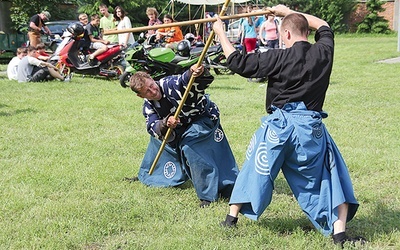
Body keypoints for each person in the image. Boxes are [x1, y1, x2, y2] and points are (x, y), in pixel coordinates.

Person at [213, 4, 366, 247]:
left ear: (284, 34)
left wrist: (220, 31)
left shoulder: (277, 56)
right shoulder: (324, 51)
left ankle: (230, 219)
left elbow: (236, 62)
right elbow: (324, 26)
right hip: (310, 130)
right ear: (306, 31)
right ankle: (339, 234)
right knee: (329, 174)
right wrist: (287, 12)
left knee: (255, 166)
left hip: (278, 127)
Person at [129, 64, 239, 208]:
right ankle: (150, 175)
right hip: (180, 126)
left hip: (202, 118)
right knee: (158, 140)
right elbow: (152, 126)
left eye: (151, 85)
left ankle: (208, 195)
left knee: (189, 146)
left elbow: (185, 81)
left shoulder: (170, 84)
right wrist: (165, 123)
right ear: (140, 95)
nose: (153, 91)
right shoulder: (148, 105)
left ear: (152, 79)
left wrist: (194, 72)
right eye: (147, 92)